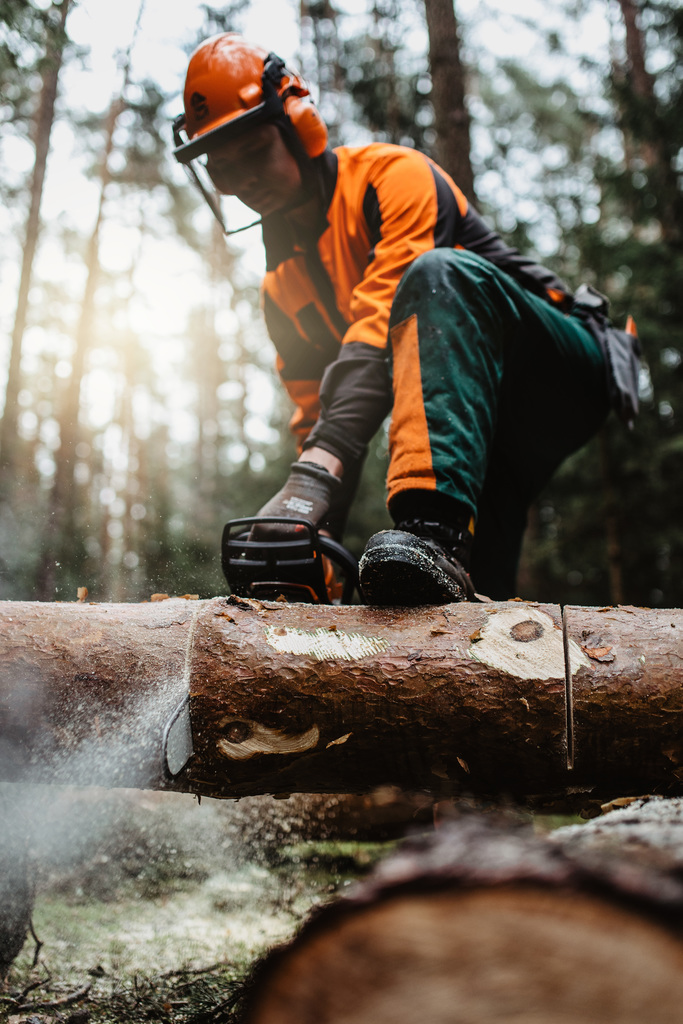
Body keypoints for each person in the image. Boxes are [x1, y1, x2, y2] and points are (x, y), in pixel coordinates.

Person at [173, 33, 640, 605]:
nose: (242, 180)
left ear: (301, 126)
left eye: (252, 152)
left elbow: (381, 318)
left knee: (438, 274)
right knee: (462, 613)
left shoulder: (392, 177)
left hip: (557, 368)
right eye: (223, 168)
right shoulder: (283, 288)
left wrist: (313, 478)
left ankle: (432, 531)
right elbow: (319, 419)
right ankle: (451, 580)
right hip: (471, 429)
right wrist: (310, 542)